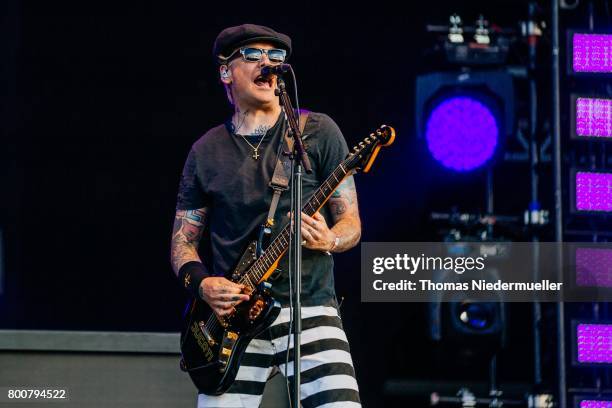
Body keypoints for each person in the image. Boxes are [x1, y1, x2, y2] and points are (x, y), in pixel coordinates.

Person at [170, 23, 362, 407]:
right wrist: (203, 285)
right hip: (232, 321)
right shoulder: (205, 151)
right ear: (226, 71)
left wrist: (331, 239)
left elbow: (351, 222)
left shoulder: (318, 132)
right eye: (253, 55)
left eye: (276, 57)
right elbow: (183, 242)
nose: (267, 63)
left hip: (309, 306)